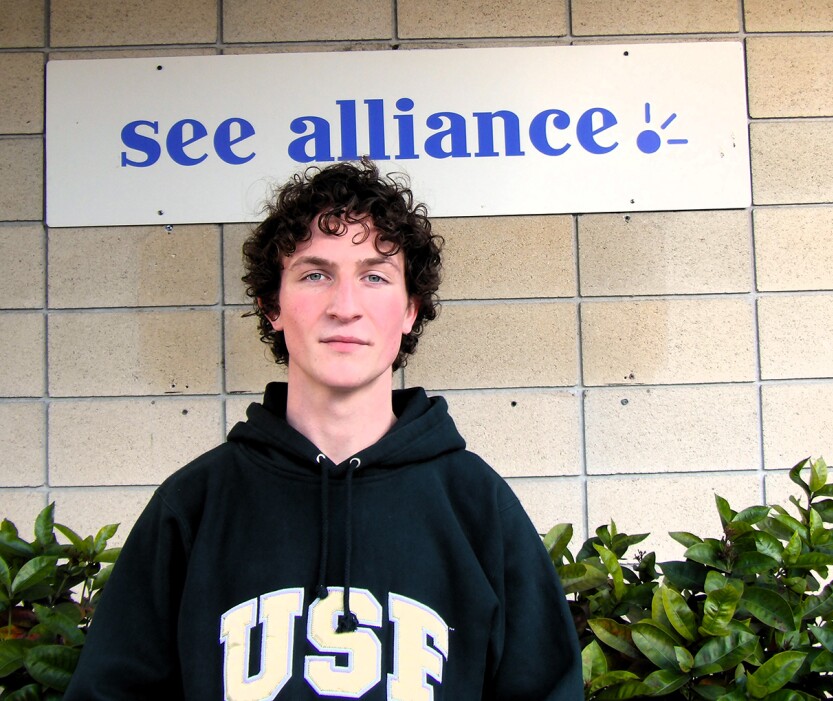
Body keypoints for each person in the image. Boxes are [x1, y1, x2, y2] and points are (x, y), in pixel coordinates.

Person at [63, 158, 582, 700]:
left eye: (374, 277)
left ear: (410, 309)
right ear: (272, 306)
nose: (345, 307)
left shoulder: (477, 507)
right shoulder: (193, 506)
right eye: (315, 274)